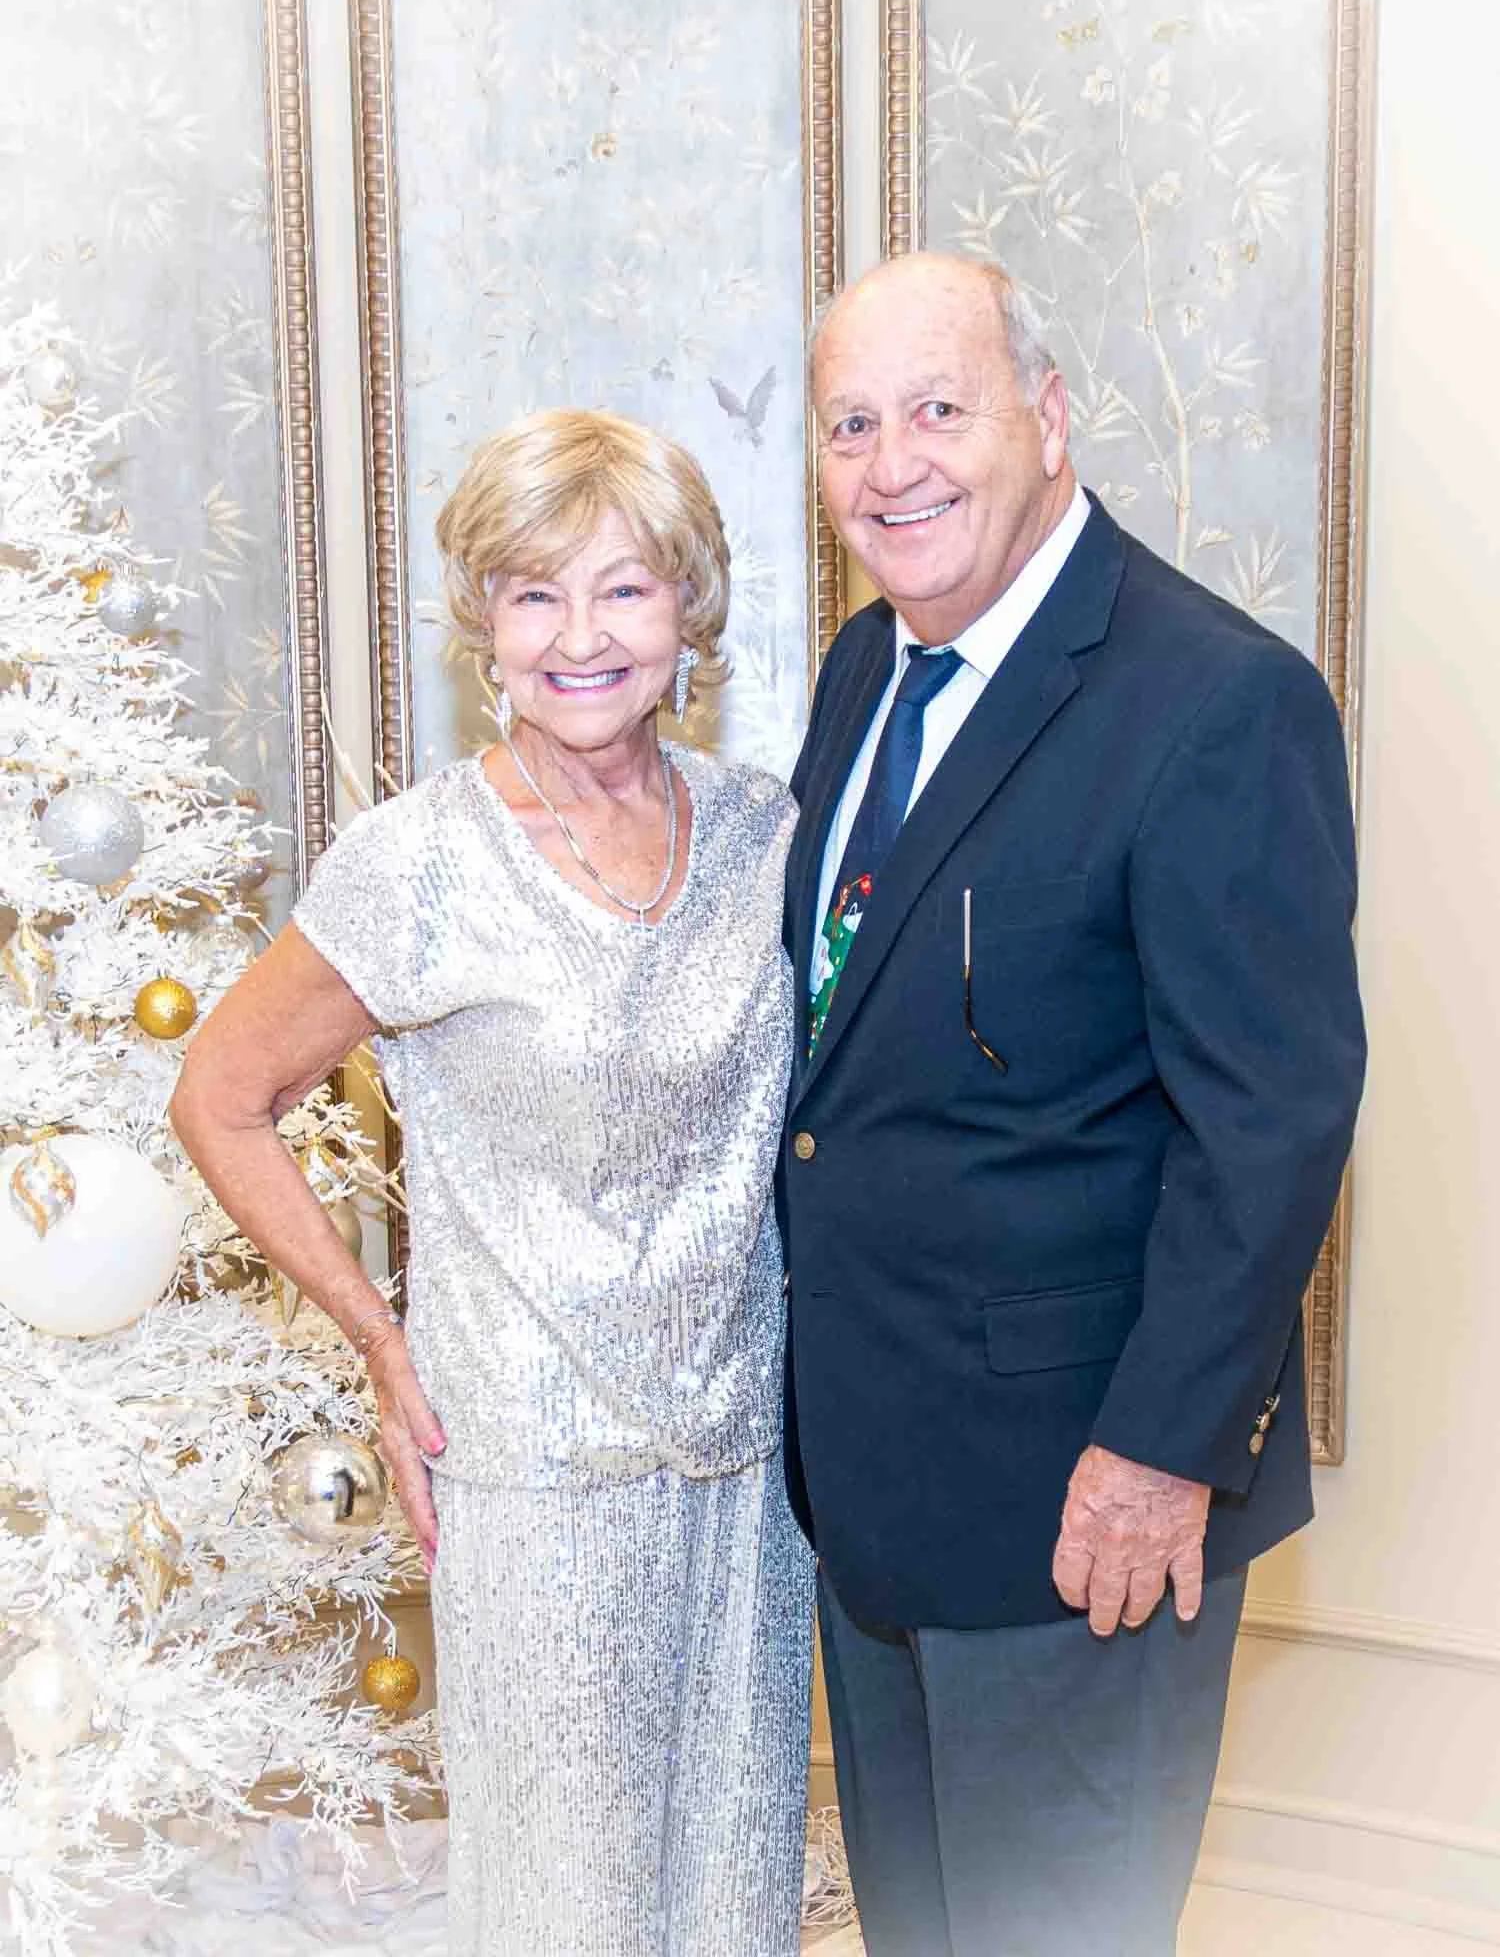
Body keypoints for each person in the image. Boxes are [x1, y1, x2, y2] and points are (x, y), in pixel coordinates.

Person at [779, 252, 1366, 1957]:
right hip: (879, 1495)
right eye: (851, 425)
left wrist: (1162, 1453)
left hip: (1083, 1518)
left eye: (940, 410)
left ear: (1046, 418)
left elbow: (1271, 1119)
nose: (896, 465)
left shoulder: (1213, 701)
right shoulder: (860, 673)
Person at [170, 408, 813, 1957]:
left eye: (625, 590)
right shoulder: (419, 863)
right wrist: (379, 1342)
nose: (580, 637)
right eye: (536, 593)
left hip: (748, 1476)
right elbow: (220, 1097)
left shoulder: (772, 834)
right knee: (570, 1916)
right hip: (532, 1484)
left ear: (690, 613)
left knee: (734, 1898)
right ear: (483, 622)